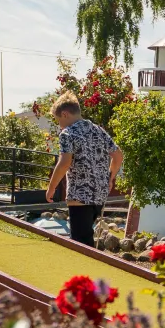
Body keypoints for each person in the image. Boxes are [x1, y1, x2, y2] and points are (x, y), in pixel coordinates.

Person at [45, 92, 123, 248]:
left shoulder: (68, 133)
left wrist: (51, 188)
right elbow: (118, 155)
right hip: (99, 194)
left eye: (58, 120)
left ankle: (85, 272)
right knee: (87, 238)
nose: (59, 125)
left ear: (65, 114)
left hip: (79, 194)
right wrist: (110, 178)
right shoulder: (98, 130)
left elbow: (64, 162)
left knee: (80, 245)